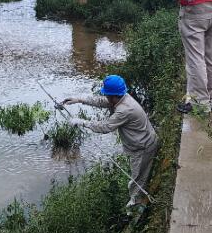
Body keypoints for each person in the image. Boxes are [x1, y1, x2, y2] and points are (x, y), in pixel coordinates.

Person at [63, 74, 158, 215]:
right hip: (142, 143)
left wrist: (82, 122)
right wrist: (79, 100)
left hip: (143, 148)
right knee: (140, 176)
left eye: (108, 95)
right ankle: (138, 202)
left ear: (113, 96)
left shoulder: (125, 109)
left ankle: (134, 210)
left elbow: (105, 127)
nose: (106, 97)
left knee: (136, 181)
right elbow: (101, 101)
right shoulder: (121, 98)